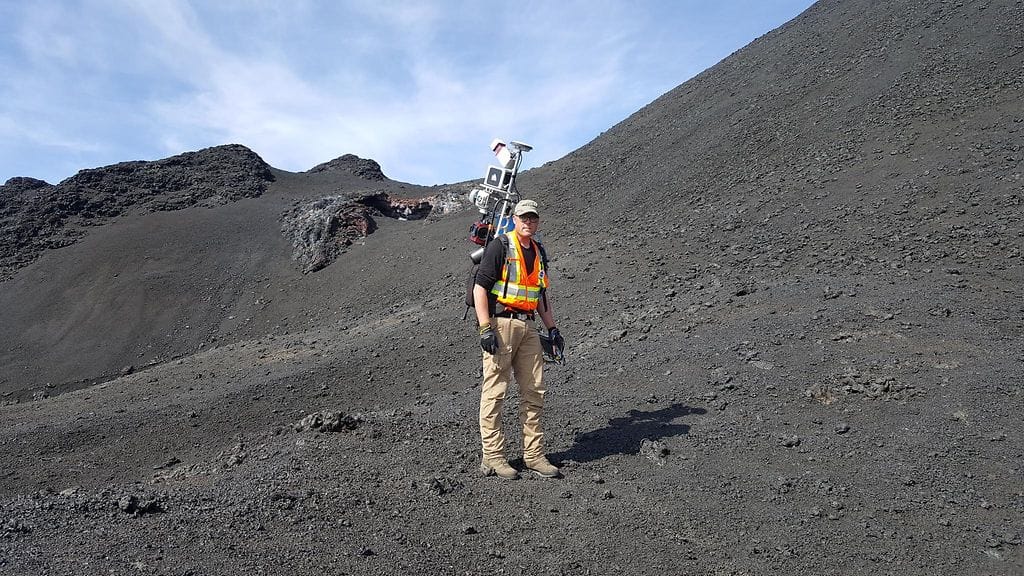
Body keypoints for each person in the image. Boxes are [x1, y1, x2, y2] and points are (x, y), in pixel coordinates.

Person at [472, 199, 565, 480]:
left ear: (537, 222)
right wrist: (485, 328)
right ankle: (493, 457)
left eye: (532, 218)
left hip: (528, 327)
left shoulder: (538, 251)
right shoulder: (501, 245)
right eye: (524, 217)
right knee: (495, 392)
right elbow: (480, 288)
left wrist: (553, 329)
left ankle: (534, 455)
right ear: (514, 219)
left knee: (534, 391)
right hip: (501, 323)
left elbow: (540, 295)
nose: (528, 222)